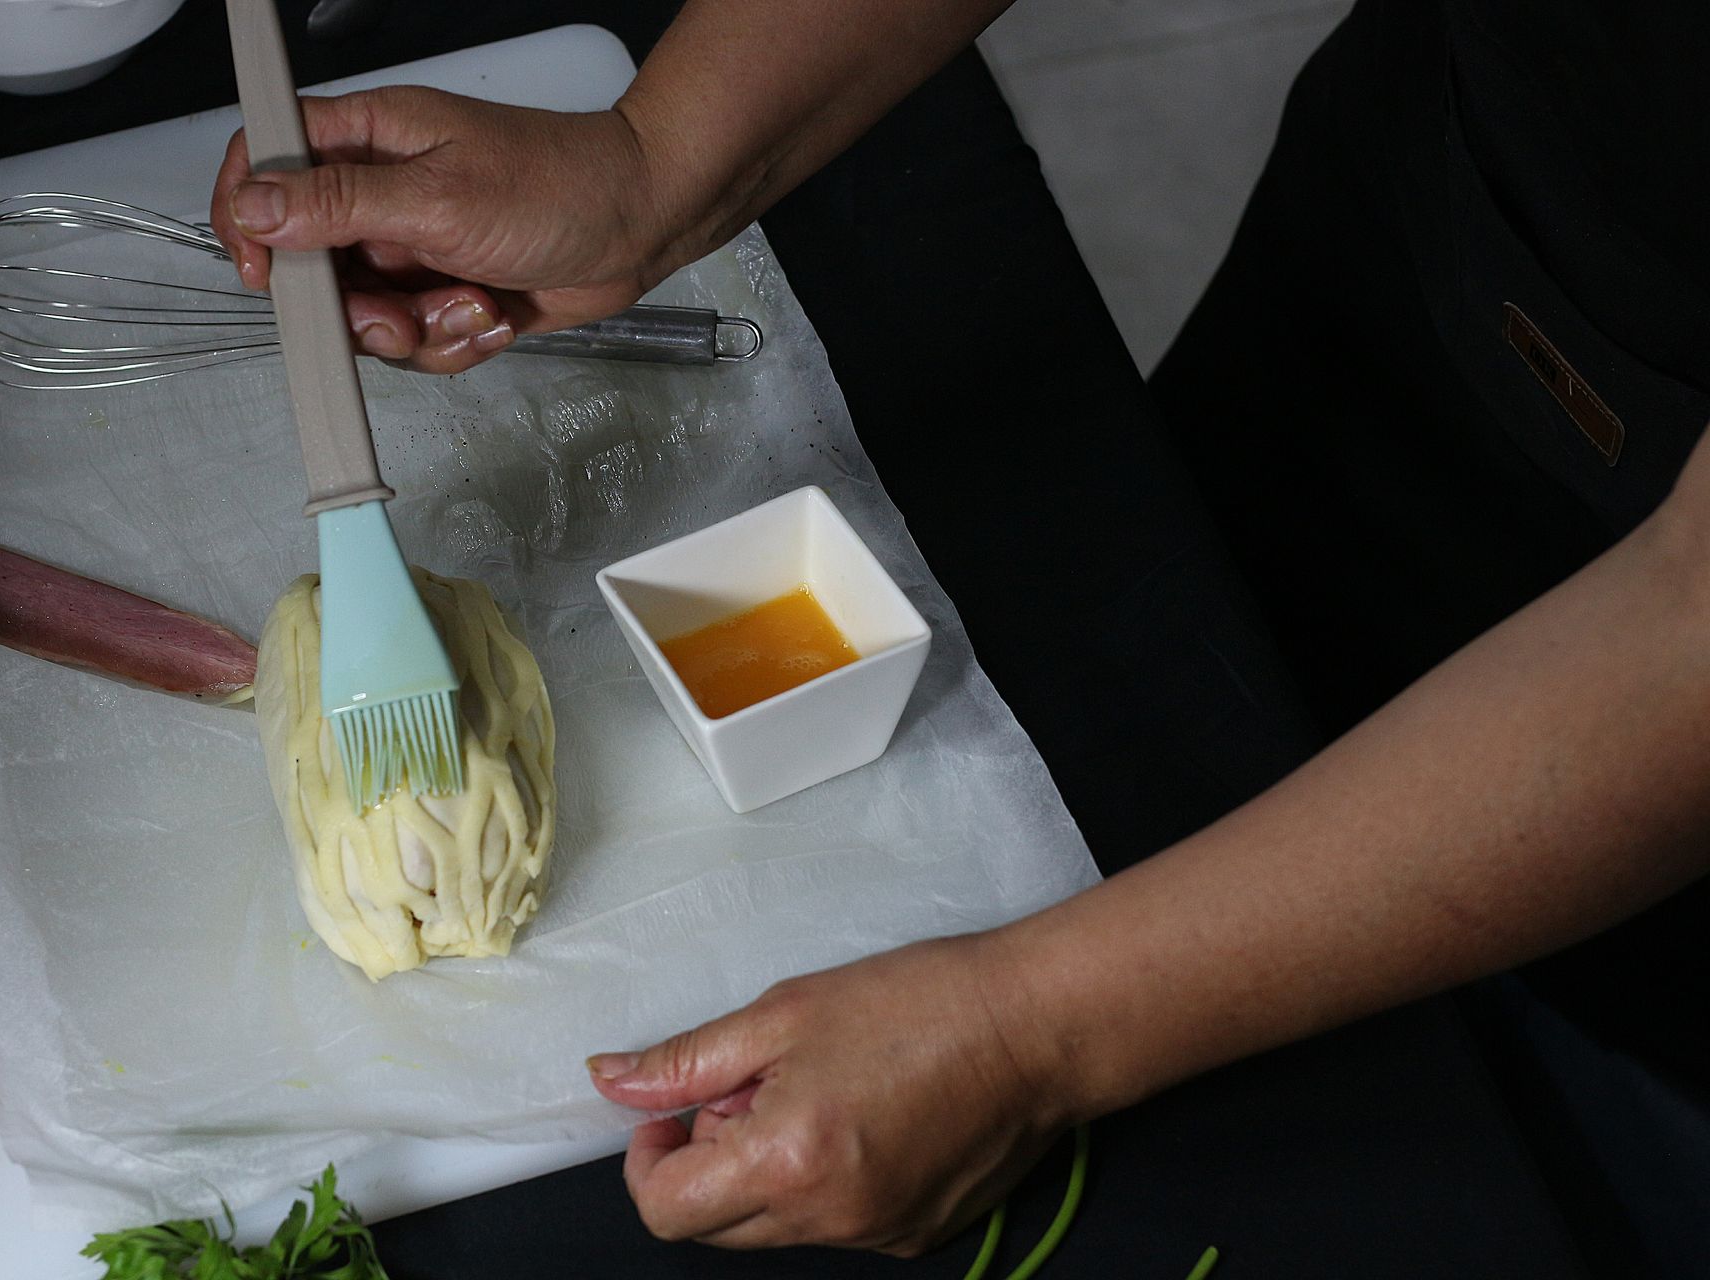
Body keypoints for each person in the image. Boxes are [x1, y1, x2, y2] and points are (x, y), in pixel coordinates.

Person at [211, 0, 1710, 1265]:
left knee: (1520, 1175)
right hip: (1456, 208)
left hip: (1653, 824)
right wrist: (652, 161)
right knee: (1203, 650)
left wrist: (1033, 1030)